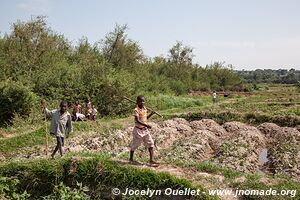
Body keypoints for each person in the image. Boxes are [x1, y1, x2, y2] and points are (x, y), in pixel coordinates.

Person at [129, 95, 159, 166]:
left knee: (151, 143)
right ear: (137, 102)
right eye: (140, 101)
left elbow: (145, 119)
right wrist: (147, 125)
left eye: (143, 101)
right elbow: (137, 120)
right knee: (135, 145)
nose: (142, 102)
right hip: (138, 130)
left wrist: (151, 114)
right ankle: (131, 159)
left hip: (145, 130)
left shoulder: (145, 109)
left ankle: (151, 160)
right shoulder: (136, 110)